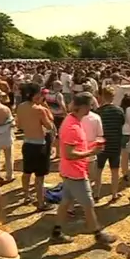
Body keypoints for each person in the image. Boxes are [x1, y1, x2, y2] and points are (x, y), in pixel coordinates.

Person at [50, 92, 116, 245]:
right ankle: (98, 234)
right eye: (90, 106)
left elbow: (74, 149)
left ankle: (56, 231)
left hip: (69, 171)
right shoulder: (73, 126)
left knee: (65, 201)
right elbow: (69, 154)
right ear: (83, 106)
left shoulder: (72, 120)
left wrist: (92, 146)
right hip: (75, 173)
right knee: (88, 203)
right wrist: (91, 152)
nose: (91, 109)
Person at [16, 83, 54, 211]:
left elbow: (19, 124)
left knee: (26, 172)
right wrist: (44, 106)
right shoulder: (40, 110)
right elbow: (49, 126)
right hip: (40, 144)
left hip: (27, 143)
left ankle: (26, 196)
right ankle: (40, 203)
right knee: (39, 176)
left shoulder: (20, 107)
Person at [95, 86, 125, 203]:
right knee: (115, 170)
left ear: (102, 96)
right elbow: (122, 124)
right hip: (115, 144)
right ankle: (114, 194)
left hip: (101, 144)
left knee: (99, 169)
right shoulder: (119, 110)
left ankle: (96, 193)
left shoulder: (98, 112)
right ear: (113, 97)